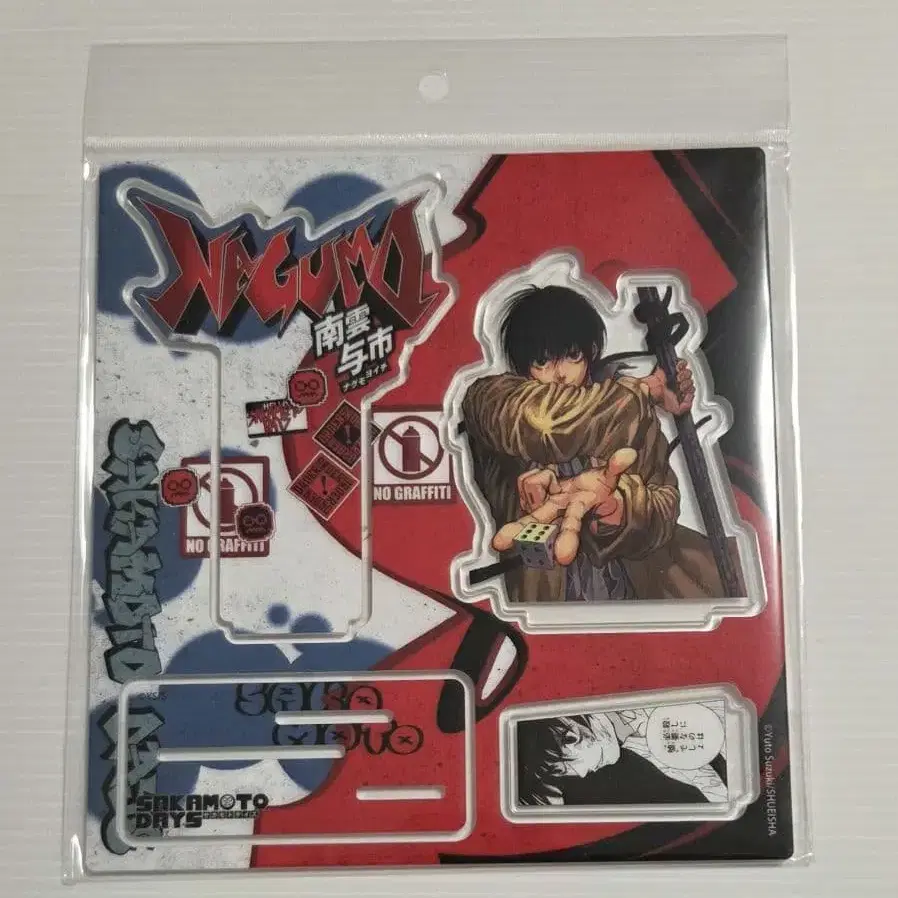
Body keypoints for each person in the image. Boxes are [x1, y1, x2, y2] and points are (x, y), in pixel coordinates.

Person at [461, 284, 742, 603]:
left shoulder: (630, 412)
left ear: (591, 351)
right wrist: (645, 389)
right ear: (523, 364)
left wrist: (620, 509)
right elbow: (547, 423)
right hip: (545, 602)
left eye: (572, 356)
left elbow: (664, 506)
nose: (560, 374)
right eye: (542, 362)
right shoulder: (490, 400)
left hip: (630, 596)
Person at [516, 711, 723, 807]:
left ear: (571, 738)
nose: (581, 774)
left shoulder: (643, 720)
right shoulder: (633, 743)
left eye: (562, 769)